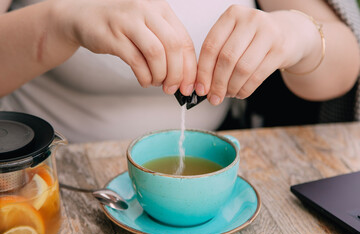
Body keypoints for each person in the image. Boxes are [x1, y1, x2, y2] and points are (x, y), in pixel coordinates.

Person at [0, 0, 359, 143]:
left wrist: (299, 34)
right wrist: (57, 24)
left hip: (218, 175)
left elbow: (342, 67)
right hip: (43, 172)